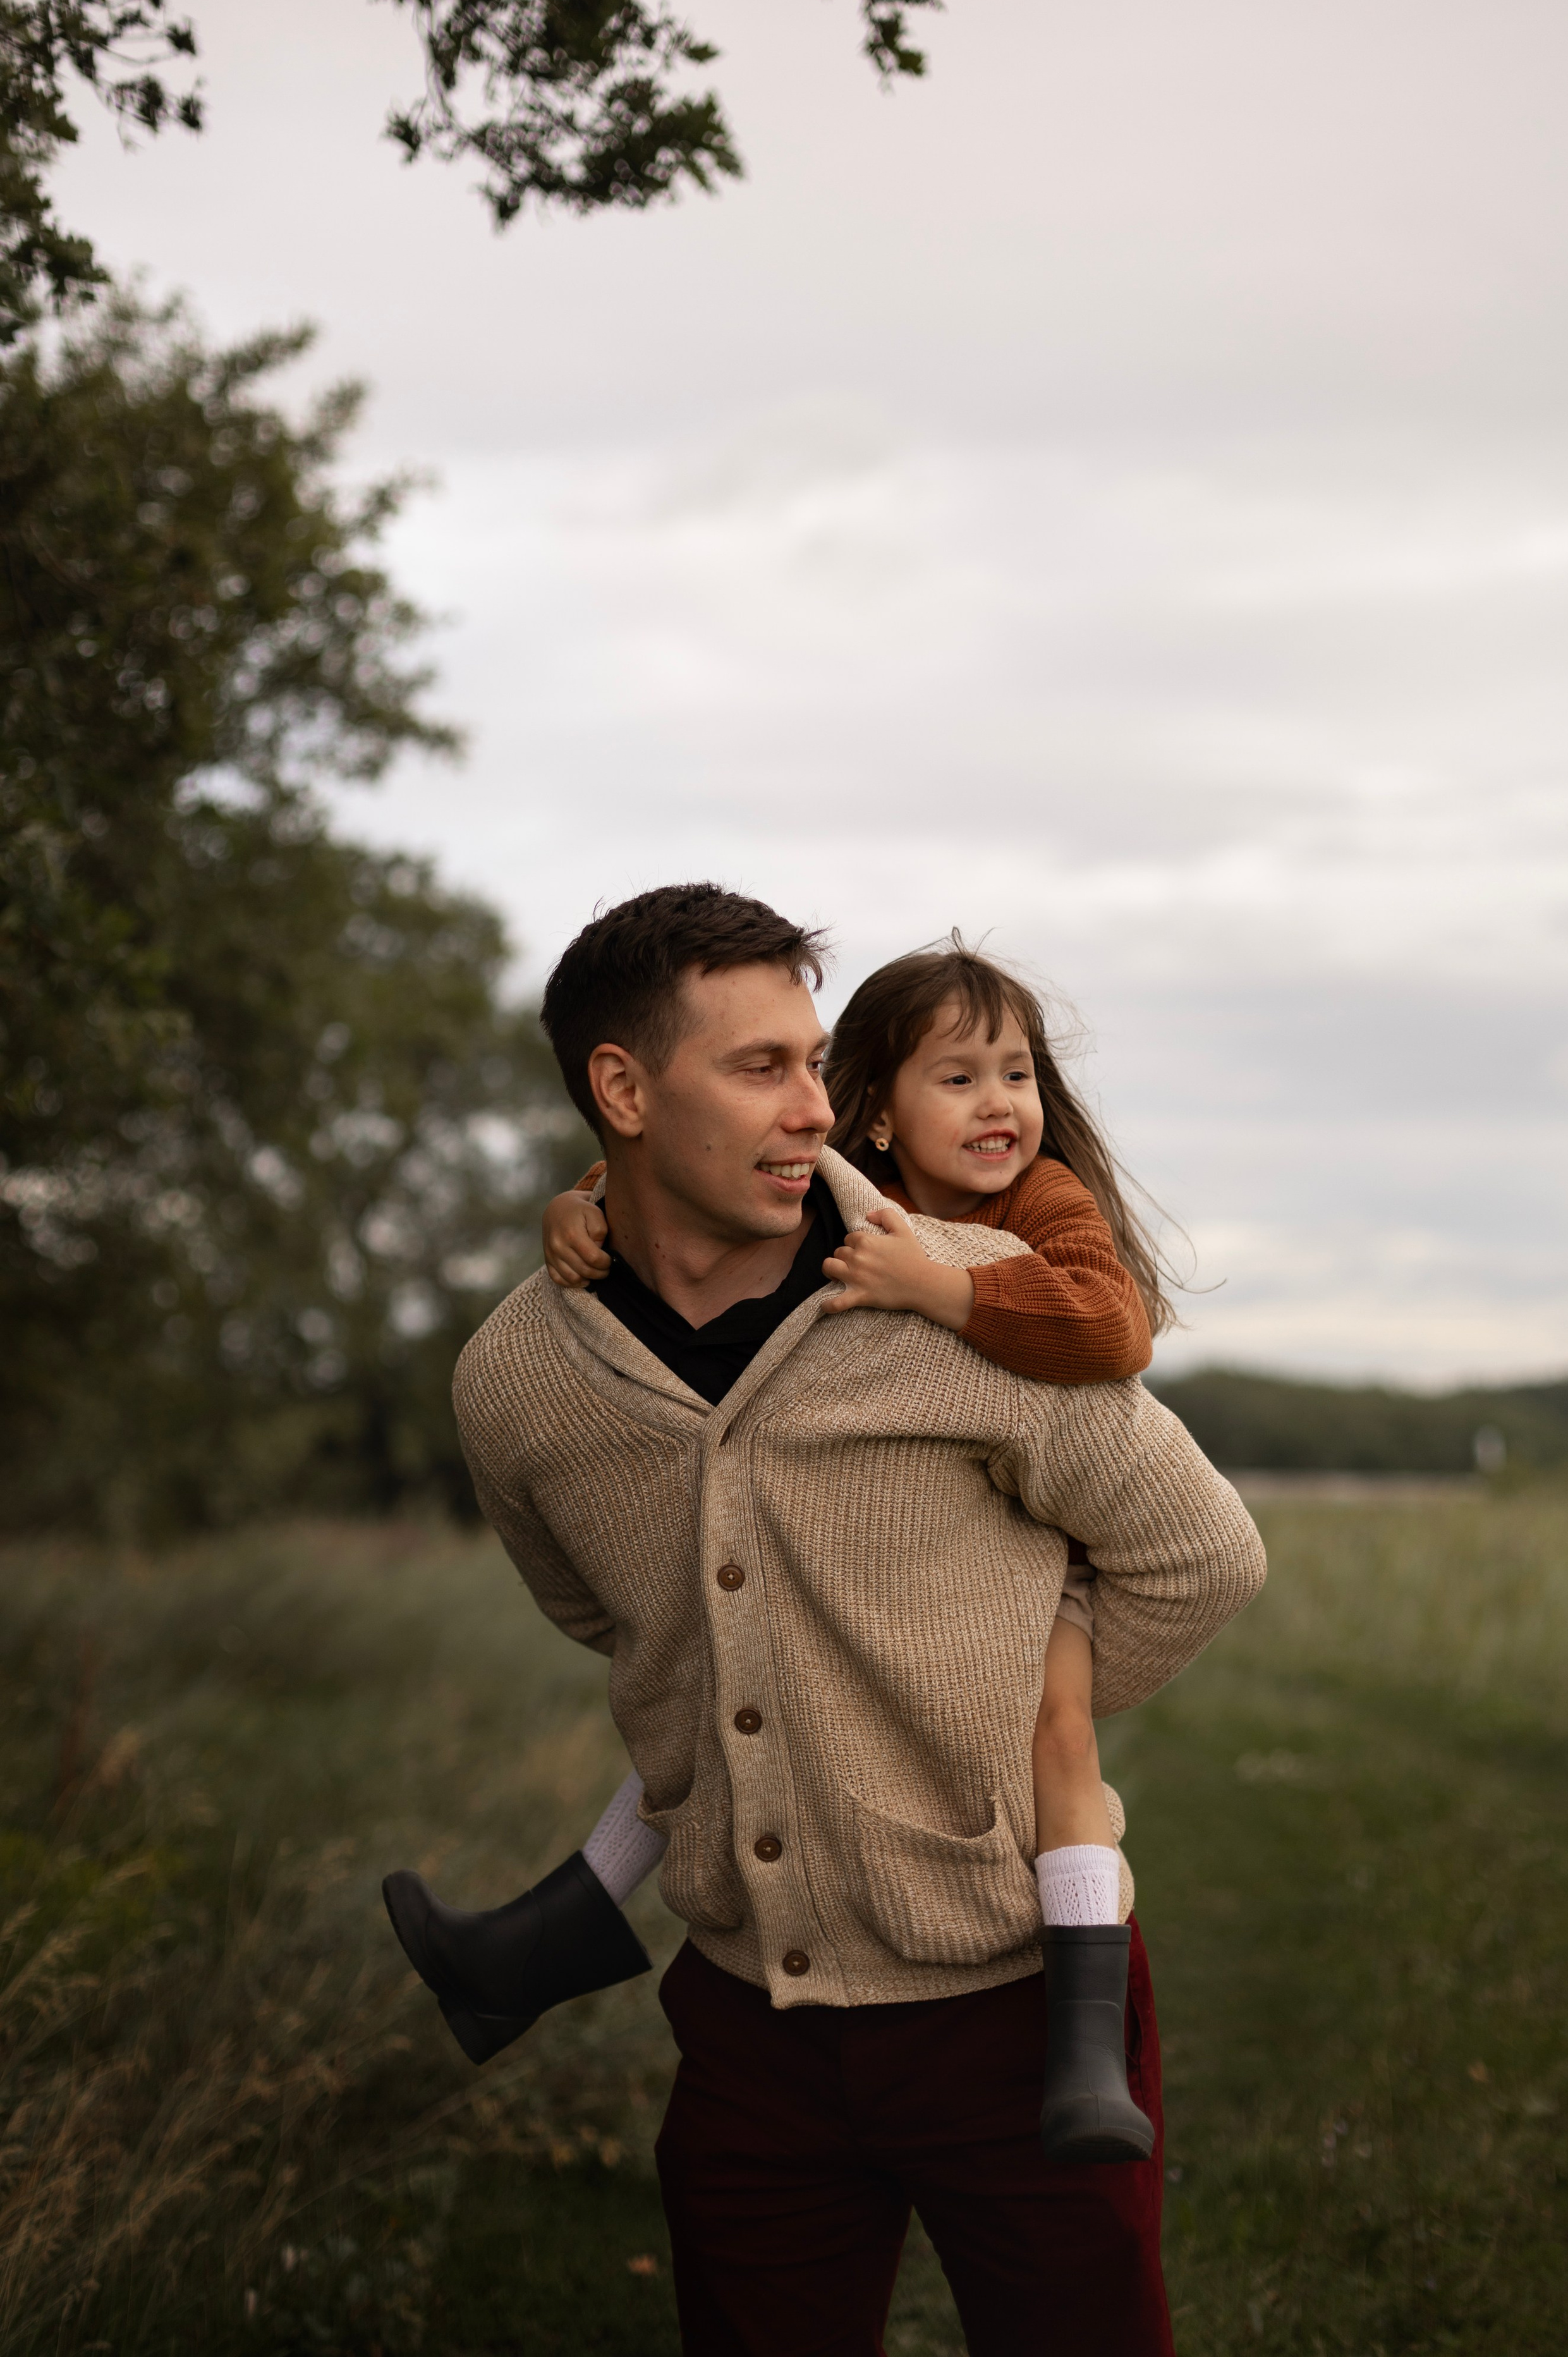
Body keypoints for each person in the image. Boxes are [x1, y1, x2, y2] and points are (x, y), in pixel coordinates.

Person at [384, 882, 1265, 2357]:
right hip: (742, 2030)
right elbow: (611, 1624)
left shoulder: (969, 1295)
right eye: (760, 1068)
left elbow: (1198, 1557)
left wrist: (991, 1717)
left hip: (1015, 2010)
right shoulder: (514, 1384)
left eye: (814, 1061)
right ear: (620, 1089)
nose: (815, 1107)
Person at [537, 937, 1174, 2161]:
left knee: (1051, 1735)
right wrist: (571, 1209)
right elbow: (648, 1170)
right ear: (874, 1112)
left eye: (1018, 1074)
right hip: (926, 1562)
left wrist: (940, 1286)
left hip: (1049, 1559)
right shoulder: (811, 1191)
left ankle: (1083, 2037)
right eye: (959, 1078)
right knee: (726, 1691)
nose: (1001, 1104)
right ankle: (558, 1920)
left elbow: (1110, 1326)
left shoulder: (1032, 1201)